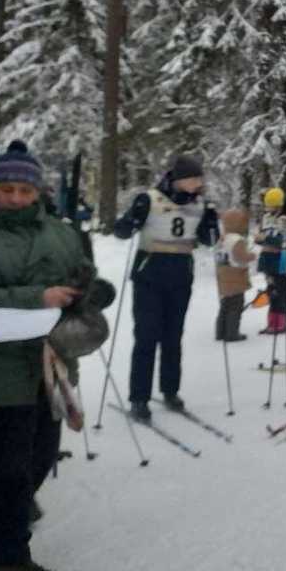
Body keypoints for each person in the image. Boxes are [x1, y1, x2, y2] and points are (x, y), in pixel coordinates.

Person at [0, 143, 90, 571]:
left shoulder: (59, 232)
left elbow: (82, 273)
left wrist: (90, 290)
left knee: (41, 456)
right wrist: (36, 298)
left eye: (25, 190)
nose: (17, 198)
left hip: (49, 363)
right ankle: (8, 561)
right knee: (8, 468)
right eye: (8, 190)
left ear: (38, 191)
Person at [113, 154, 219, 421]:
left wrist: (211, 221)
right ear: (178, 179)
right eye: (193, 179)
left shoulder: (200, 204)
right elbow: (121, 232)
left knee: (173, 337)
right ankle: (139, 397)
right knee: (146, 337)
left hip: (180, 276)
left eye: (199, 179)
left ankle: (170, 390)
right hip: (149, 275)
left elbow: (209, 241)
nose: (197, 183)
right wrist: (133, 217)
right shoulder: (150, 199)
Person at [213, 209, 256, 342]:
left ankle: (220, 331)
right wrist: (252, 256)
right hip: (236, 276)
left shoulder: (223, 238)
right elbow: (241, 257)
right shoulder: (237, 240)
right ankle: (232, 333)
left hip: (223, 273)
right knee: (235, 306)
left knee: (225, 305)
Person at [254, 187, 286, 338]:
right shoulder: (266, 217)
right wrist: (259, 239)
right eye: (267, 205)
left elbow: (284, 240)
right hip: (267, 257)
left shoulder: (285, 219)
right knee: (271, 290)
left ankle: (281, 323)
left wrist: (266, 239)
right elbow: (261, 236)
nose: (268, 208)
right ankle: (271, 322)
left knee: (280, 291)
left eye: (271, 205)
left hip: (280, 259)